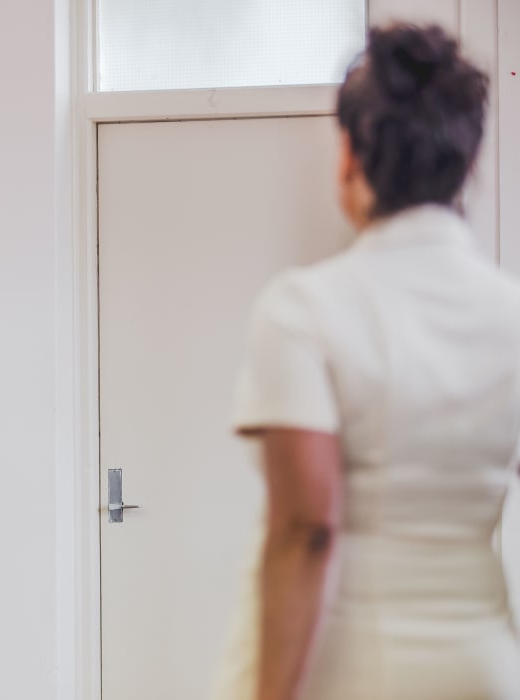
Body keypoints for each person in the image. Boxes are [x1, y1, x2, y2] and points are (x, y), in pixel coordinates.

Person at [212, 23, 520, 700]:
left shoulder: (303, 311)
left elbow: (308, 527)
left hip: (345, 668)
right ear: (466, 165)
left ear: (349, 156)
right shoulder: (512, 317)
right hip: (484, 669)